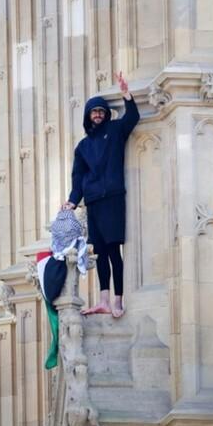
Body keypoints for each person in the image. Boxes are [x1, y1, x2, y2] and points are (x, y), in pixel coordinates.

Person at [62, 72, 139, 318]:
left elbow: (132, 118)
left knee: (115, 251)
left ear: (106, 114)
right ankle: (104, 300)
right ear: (88, 116)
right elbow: (78, 179)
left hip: (113, 197)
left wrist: (126, 95)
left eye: (101, 111)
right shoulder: (82, 147)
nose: (98, 115)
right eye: (93, 112)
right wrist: (72, 201)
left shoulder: (115, 130)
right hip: (93, 202)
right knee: (101, 253)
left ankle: (118, 301)